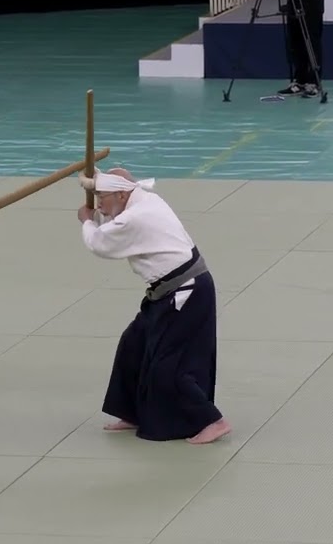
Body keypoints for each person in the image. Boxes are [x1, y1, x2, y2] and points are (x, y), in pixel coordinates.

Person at [77, 168, 231, 445]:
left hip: (186, 292)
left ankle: (211, 420)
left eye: (102, 195)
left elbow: (99, 243)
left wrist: (87, 220)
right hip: (165, 292)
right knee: (133, 345)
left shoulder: (136, 216)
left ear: (122, 193)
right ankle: (131, 411)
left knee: (168, 365)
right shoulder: (143, 199)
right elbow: (113, 217)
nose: (98, 201)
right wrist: (92, 177)